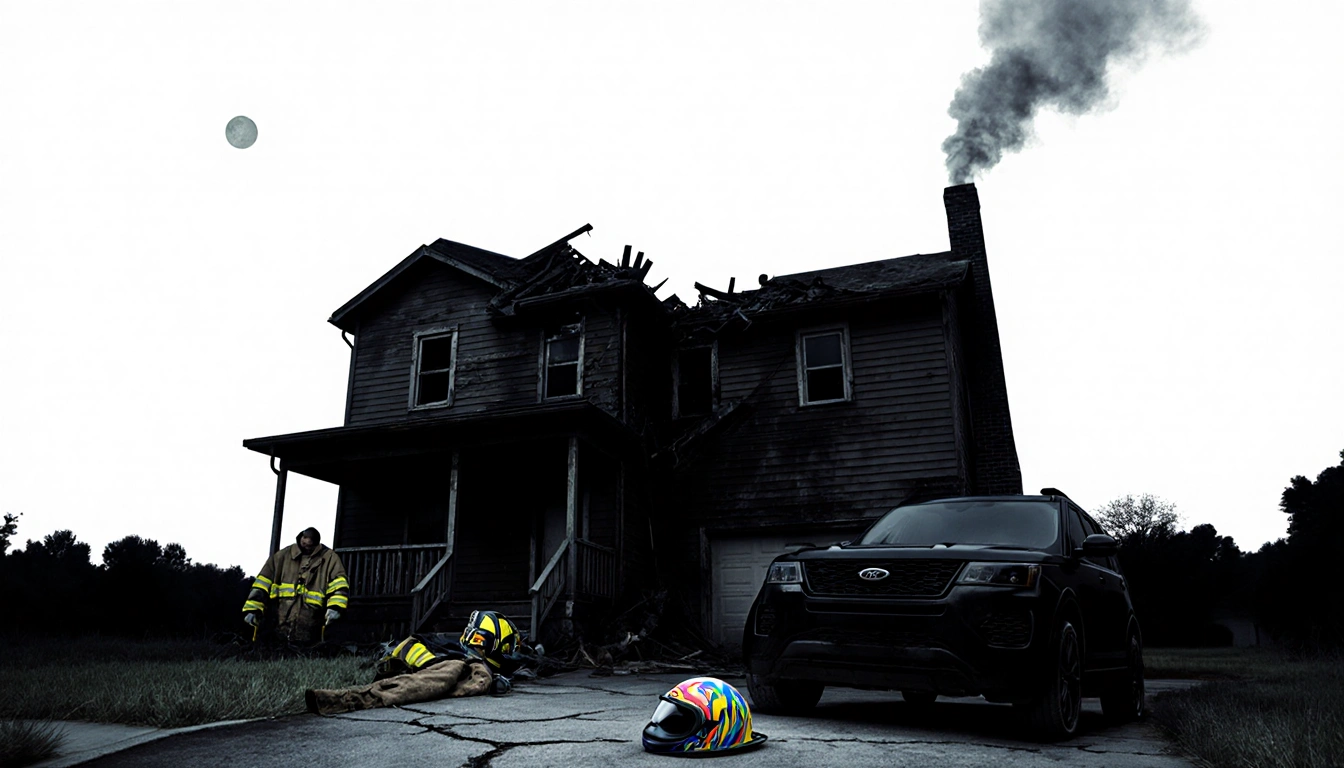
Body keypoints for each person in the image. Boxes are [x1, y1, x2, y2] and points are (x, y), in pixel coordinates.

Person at [241, 526, 349, 644]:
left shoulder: (329, 559)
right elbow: (261, 584)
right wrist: (253, 609)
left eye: (310, 545)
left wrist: (335, 608)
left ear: (316, 544)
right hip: (277, 624)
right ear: (301, 538)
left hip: (313, 626)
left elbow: (339, 585)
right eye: (304, 543)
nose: (306, 547)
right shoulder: (281, 557)